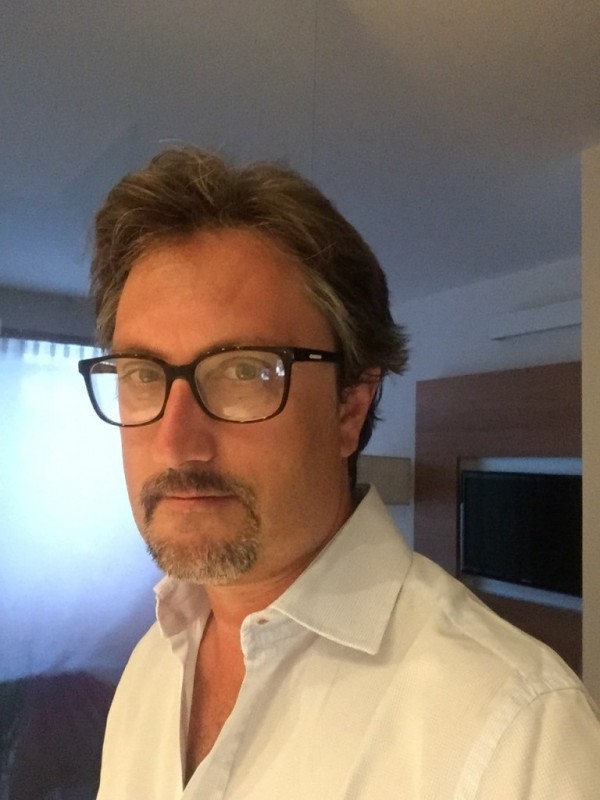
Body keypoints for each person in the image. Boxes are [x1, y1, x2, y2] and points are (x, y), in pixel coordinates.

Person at [79, 147, 600, 799]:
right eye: (141, 374)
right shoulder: (151, 666)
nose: (177, 441)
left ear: (349, 408)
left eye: (243, 371)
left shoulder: (517, 733)